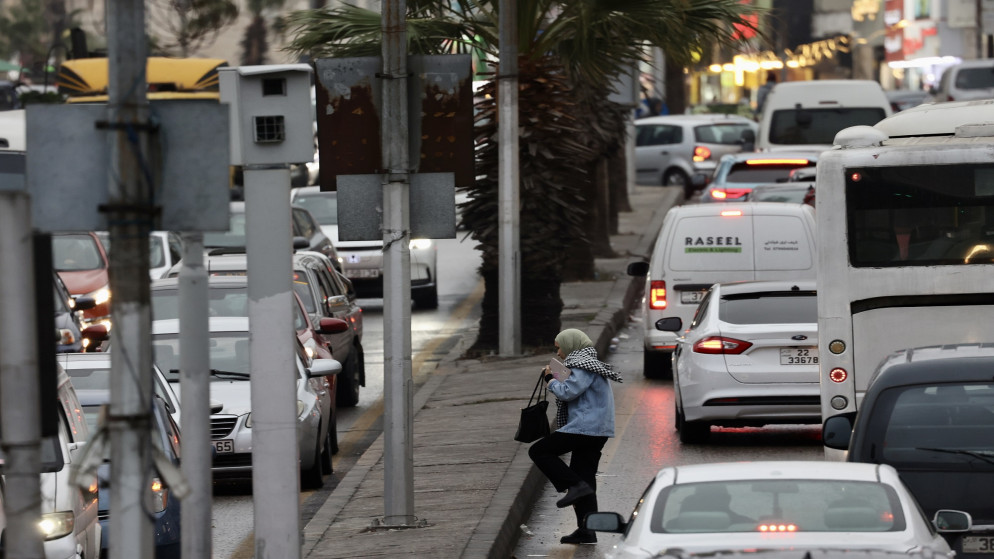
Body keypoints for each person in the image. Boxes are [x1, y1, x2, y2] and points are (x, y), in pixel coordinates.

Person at [527, 328, 622, 545]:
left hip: (585, 427)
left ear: (570, 345)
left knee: (539, 451)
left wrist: (550, 379)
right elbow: (574, 385)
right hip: (596, 429)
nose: (558, 353)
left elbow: (567, 391)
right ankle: (587, 530)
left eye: (559, 348)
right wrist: (555, 373)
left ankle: (574, 486)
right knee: (585, 476)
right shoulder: (586, 362)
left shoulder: (581, 363)